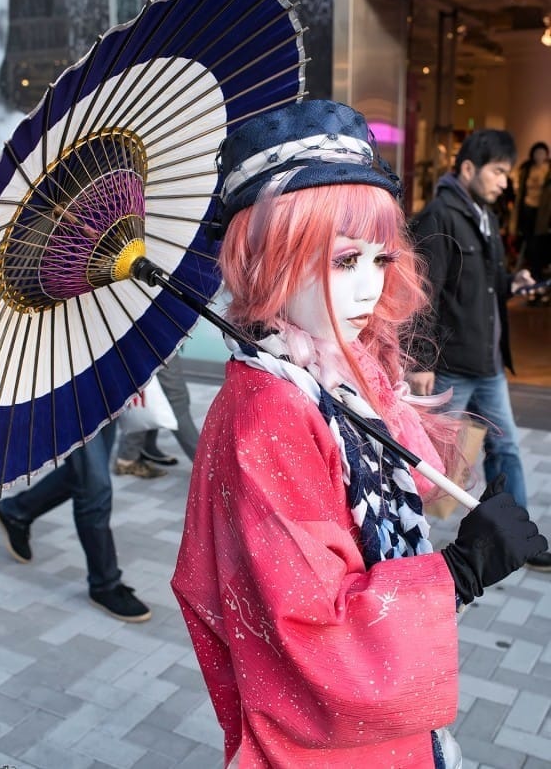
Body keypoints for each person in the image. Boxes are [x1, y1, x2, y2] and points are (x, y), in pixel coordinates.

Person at [171, 99, 547, 767]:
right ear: (266, 258)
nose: (370, 285)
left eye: (380, 257)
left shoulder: (333, 371)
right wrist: (460, 571)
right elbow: (311, 629)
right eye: (344, 260)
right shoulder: (270, 414)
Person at [407, 128, 551, 574]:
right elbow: (423, 294)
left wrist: (517, 283)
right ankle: (407, 544)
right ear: (468, 169)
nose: (505, 181)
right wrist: (421, 362)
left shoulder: (485, 216)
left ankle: (518, 536)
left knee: (505, 450)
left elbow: (489, 284)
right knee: (430, 465)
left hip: (487, 365)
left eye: (508, 173)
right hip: (451, 366)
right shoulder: (440, 216)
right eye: (498, 171)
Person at [0, 421, 152, 622]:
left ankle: (17, 511)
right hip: (65, 396)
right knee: (95, 488)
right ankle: (105, 583)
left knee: (89, 473)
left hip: (102, 391)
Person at [115, 352, 199, 474]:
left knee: (150, 393)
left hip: (146, 340)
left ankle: (137, 450)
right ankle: (209, 464)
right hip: (152, 341)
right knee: (177, 400)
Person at [514, 141, 551, 301]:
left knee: (542, 247)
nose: (539, 156)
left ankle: (541, 284)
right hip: (528, 211)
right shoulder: (526, 169)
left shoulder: (548, 170)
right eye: (537, 153)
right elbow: (520, 193)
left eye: (542, 153)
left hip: (544, 214)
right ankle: (535, 282)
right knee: (531, 246)